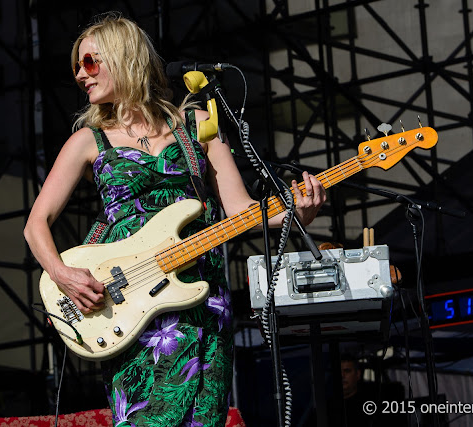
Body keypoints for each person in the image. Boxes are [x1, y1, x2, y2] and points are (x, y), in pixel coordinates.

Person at [23, 12, 326, 427]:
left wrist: (294, 213)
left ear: (123, 57)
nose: (79, 75)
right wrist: (62, 274)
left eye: (89, 62)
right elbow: (35, 222)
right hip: (129, 299)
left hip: (202, 296)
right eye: (77, 66)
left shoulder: (198, 126)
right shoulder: (86, 141)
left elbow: (239, 209)